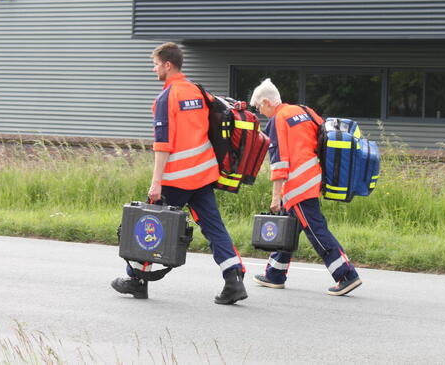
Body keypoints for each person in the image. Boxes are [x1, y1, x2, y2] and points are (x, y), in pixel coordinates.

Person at [111, 42, 247, 305]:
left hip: (177, 178)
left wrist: (156, 183)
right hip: (204, 173)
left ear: (167, 65)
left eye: (156, 64)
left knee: (149, 224)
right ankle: (234, 280)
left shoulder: (166, 97)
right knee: (214, 227)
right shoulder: (198, 91)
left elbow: (163, 145)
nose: (154, 69)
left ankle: (136, 280)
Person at [249, 78, 362, 296]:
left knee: (316, 230)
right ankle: (275, 274)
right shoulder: (304, 110)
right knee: (289, 225)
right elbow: (324, 138)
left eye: (259, 107)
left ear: (267, 101)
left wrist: (276, 196)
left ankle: (346, 275)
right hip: (313, 176)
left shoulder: (277, 120)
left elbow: (279, 162)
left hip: (297, 185)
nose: (260, 112)